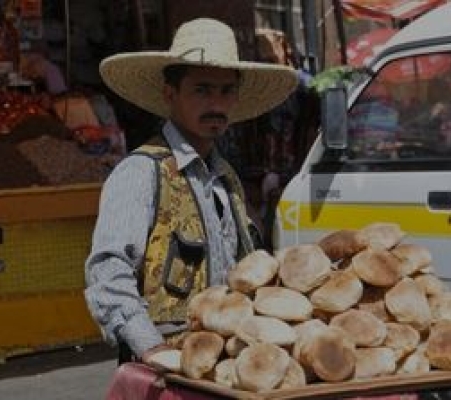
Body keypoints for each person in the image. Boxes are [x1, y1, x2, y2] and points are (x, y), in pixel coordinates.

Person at [84, 17, 298, 397]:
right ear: (170, 94)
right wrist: (151, 347)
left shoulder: (226, 176)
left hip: (226, 369)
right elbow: (108, 274)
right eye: (202, 90)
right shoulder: (141, 172)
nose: (216, 104)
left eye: (226, 91)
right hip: (166, 374)